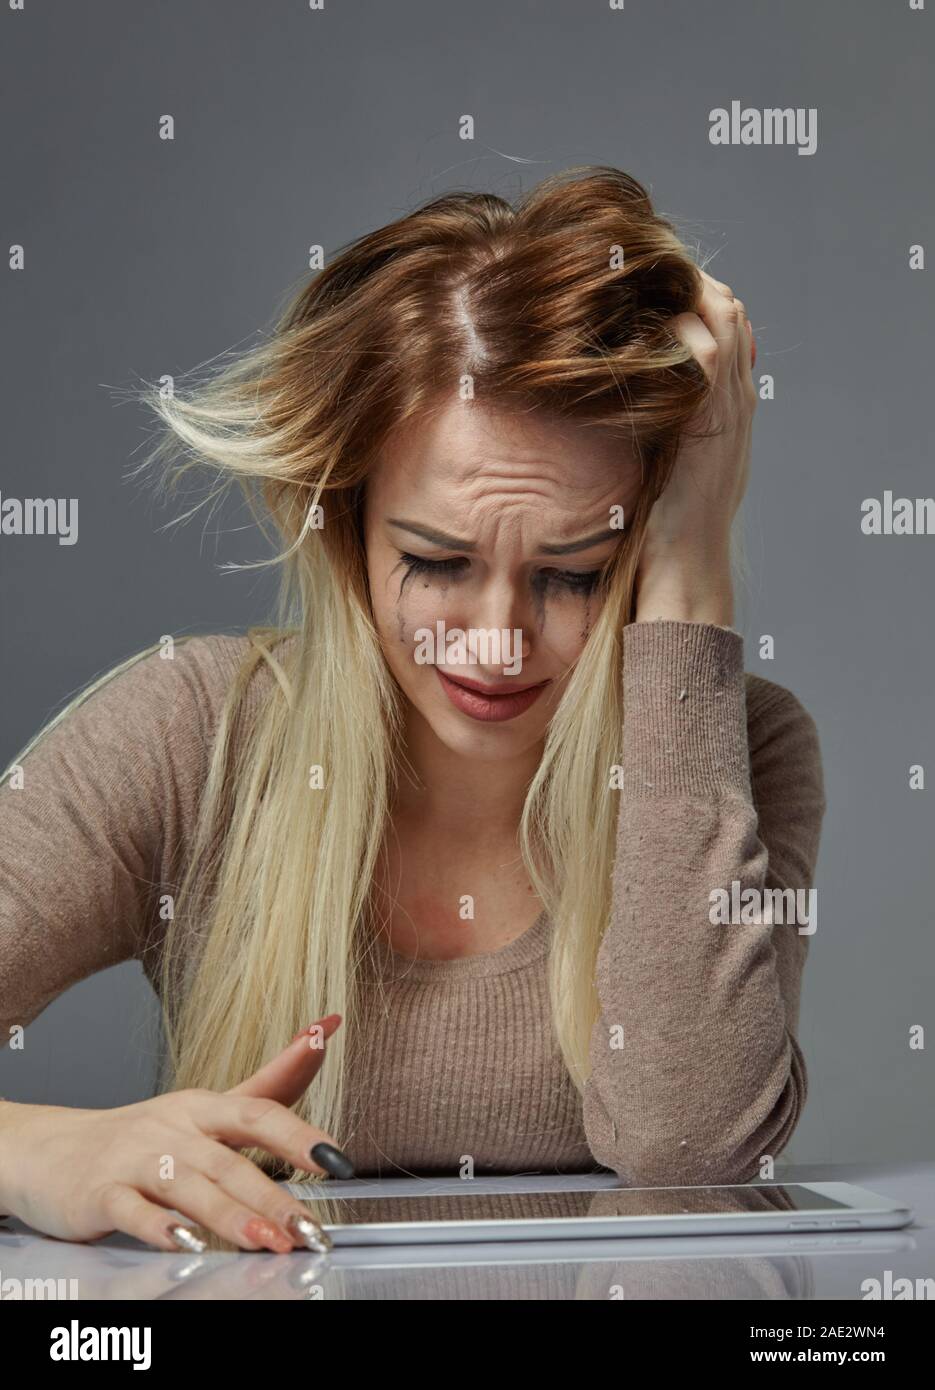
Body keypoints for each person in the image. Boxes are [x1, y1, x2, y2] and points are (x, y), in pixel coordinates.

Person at [0, 166, 825, 1254]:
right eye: (435, 560)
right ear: (343, 527)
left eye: (574, 573)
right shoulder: (188, 731)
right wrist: (30, 1151)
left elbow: (693, 1150)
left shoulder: (729, 739)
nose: (495, 640)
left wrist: (687, 587)